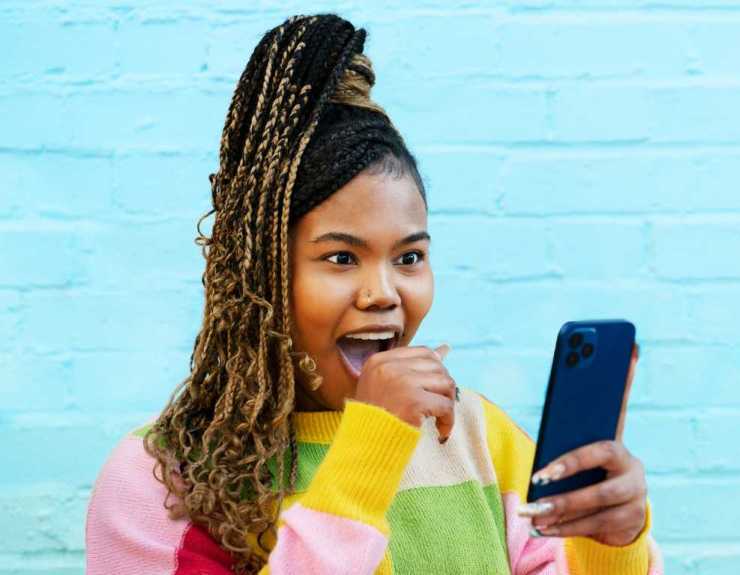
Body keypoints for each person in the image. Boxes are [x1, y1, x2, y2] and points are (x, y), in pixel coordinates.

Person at [85, 13, 663, 574]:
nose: (383, 293)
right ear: (258, 276)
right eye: (341, 258)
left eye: (409, 257)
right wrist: (369, 451)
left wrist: (613, 550)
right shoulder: (159, 479)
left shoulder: (485, 442)